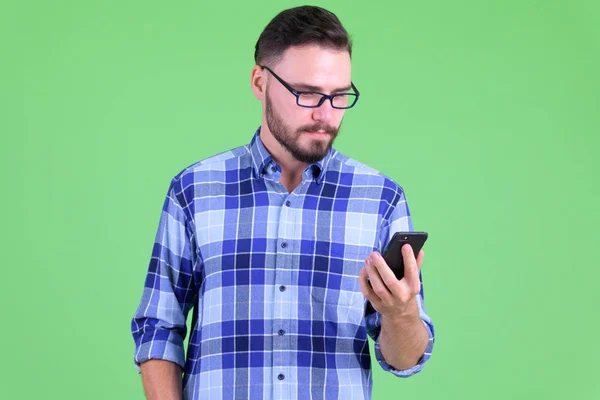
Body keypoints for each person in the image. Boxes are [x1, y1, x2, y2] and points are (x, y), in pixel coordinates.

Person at [131, 5, 435, 400]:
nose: (325, 114)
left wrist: (400, 313)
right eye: (307, 94)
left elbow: (406, 359)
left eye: (339, 96)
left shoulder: (380, 198)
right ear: (260, 82)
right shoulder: (194, 189)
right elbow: (159, 325)